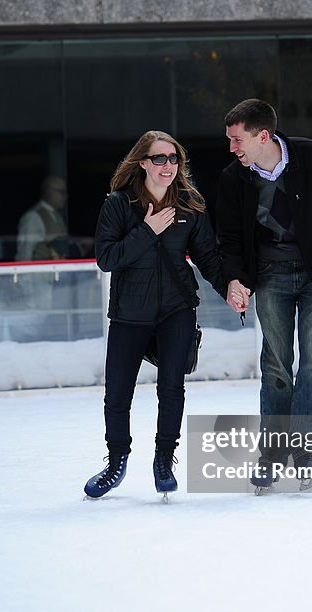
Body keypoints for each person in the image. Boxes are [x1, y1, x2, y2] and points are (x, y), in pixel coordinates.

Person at [217, 98, 312, 491]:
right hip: (270, 275)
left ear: (263, 136)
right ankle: (271, 454)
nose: (232, 148)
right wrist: (236, 279)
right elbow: (230, 240)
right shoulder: (234, 179)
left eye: (238, 140)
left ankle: (306, 452)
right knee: (276, 366)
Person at [84, 131, 230, 500]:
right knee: (117, 393)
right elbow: (107, 259)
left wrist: (230, 286)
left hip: (176, 311)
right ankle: (116, 461)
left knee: (171, 389)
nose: (168, 166)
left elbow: (208, 257)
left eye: (174, 158)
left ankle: (164, 459)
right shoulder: (119, 205)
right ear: (143, 163)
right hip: (129, 314)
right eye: (160, 158)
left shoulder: (189, 205)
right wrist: (147, 230)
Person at [15, 176, 69, 261]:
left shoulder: (57, 215)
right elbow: (25, 253)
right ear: (48, 191)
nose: (65, 196)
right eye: (61, 192)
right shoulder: (33, 217)